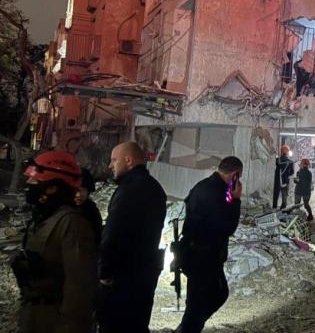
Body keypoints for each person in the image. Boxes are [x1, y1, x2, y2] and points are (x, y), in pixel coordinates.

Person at [13, 151, 96, 333]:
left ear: (52, 188)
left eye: (34, 181)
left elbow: (79, 290)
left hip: (56, 320)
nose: (29, 184)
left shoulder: (72, 224)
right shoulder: (44, 217)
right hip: (35, 314)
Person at [98, 142, 167, 333]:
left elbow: (114, 233)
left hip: (124, 279)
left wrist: (104, 272)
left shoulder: (129, 190)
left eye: (114, 160)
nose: (110, 165)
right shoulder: (154, 187)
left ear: (128, 161)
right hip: (144, 275)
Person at [176, 156, 244, 333]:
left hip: (195, 253)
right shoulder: (215, 191)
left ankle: (187, 327)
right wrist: (236, 200)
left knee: (196, 301)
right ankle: (187, 329)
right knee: (216, 294)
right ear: (235, 175)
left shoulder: (206, 186)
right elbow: (227, 227)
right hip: (204, 256)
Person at [75, 168, 103, 243]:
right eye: (76, 190)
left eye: (83, 190)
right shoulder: (61, 207)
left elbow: (98, 234)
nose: (78, 195)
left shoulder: (92, 210)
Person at [273, 145, 294, 209]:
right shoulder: (290, 162)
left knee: (276, 195)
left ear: (281, 152)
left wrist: (277, 156)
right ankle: (283, 208)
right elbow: (292, 172)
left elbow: (276, 165)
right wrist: (287, 174)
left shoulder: (277, 160)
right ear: (287, 152)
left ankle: (274, 207)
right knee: (284, 195)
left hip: (278, 180)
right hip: (285, 180)